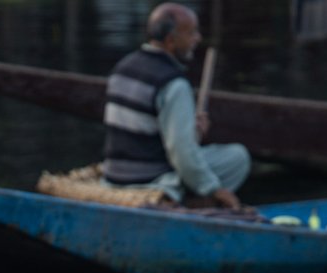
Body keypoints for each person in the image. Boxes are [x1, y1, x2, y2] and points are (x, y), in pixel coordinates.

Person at [101, 3, 250, 209]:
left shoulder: (122, 67)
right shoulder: (173, 84)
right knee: (237, 157)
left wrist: (191, 131)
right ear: (171, 41)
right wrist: (214, 189)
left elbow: (144, 133)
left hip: (114, 175)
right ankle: (196, 202)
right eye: (191, 33)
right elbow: (182, 155)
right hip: (151, 181)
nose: (197, 39)